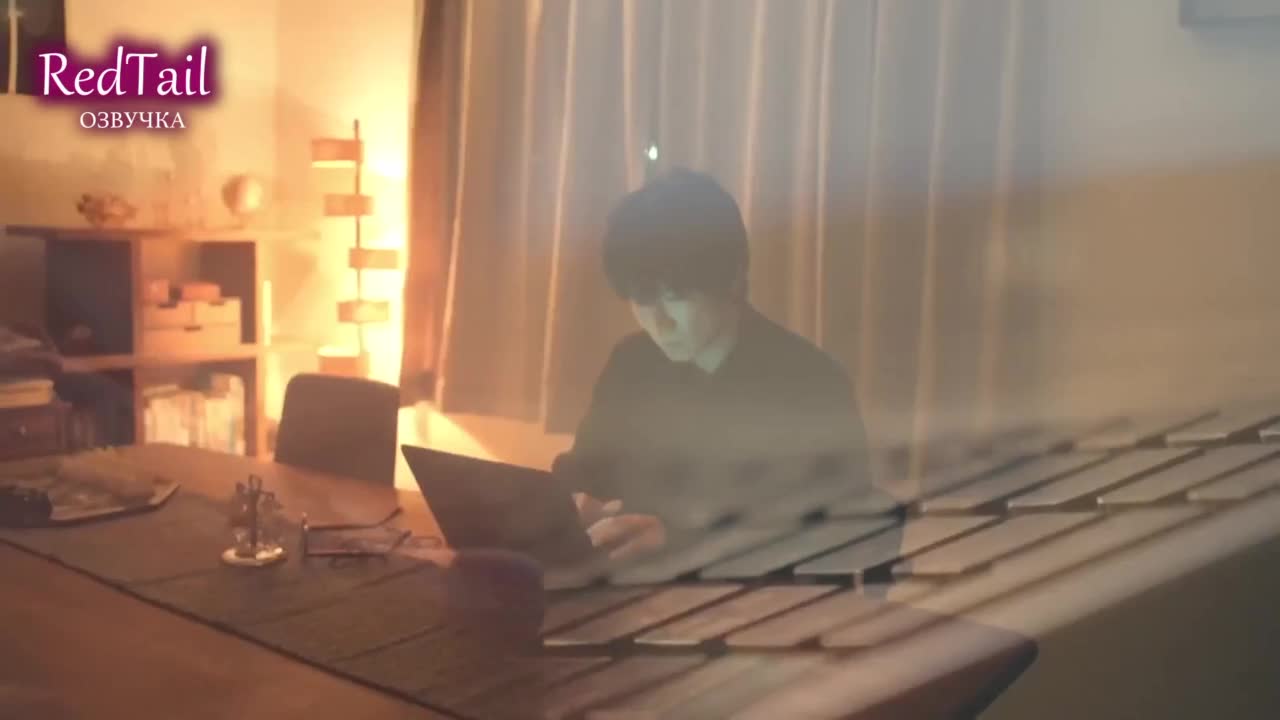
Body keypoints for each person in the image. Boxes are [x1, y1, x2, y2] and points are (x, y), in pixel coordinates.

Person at [552, 168, 872, 562]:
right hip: (625, 581)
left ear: (733, 279)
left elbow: (832, 534)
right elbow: (585, 468)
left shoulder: (811, 383)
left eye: (677, 297)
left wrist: (675, 538)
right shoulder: (630, 362)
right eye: (642, 299)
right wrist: (573, 499)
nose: (659, 323)